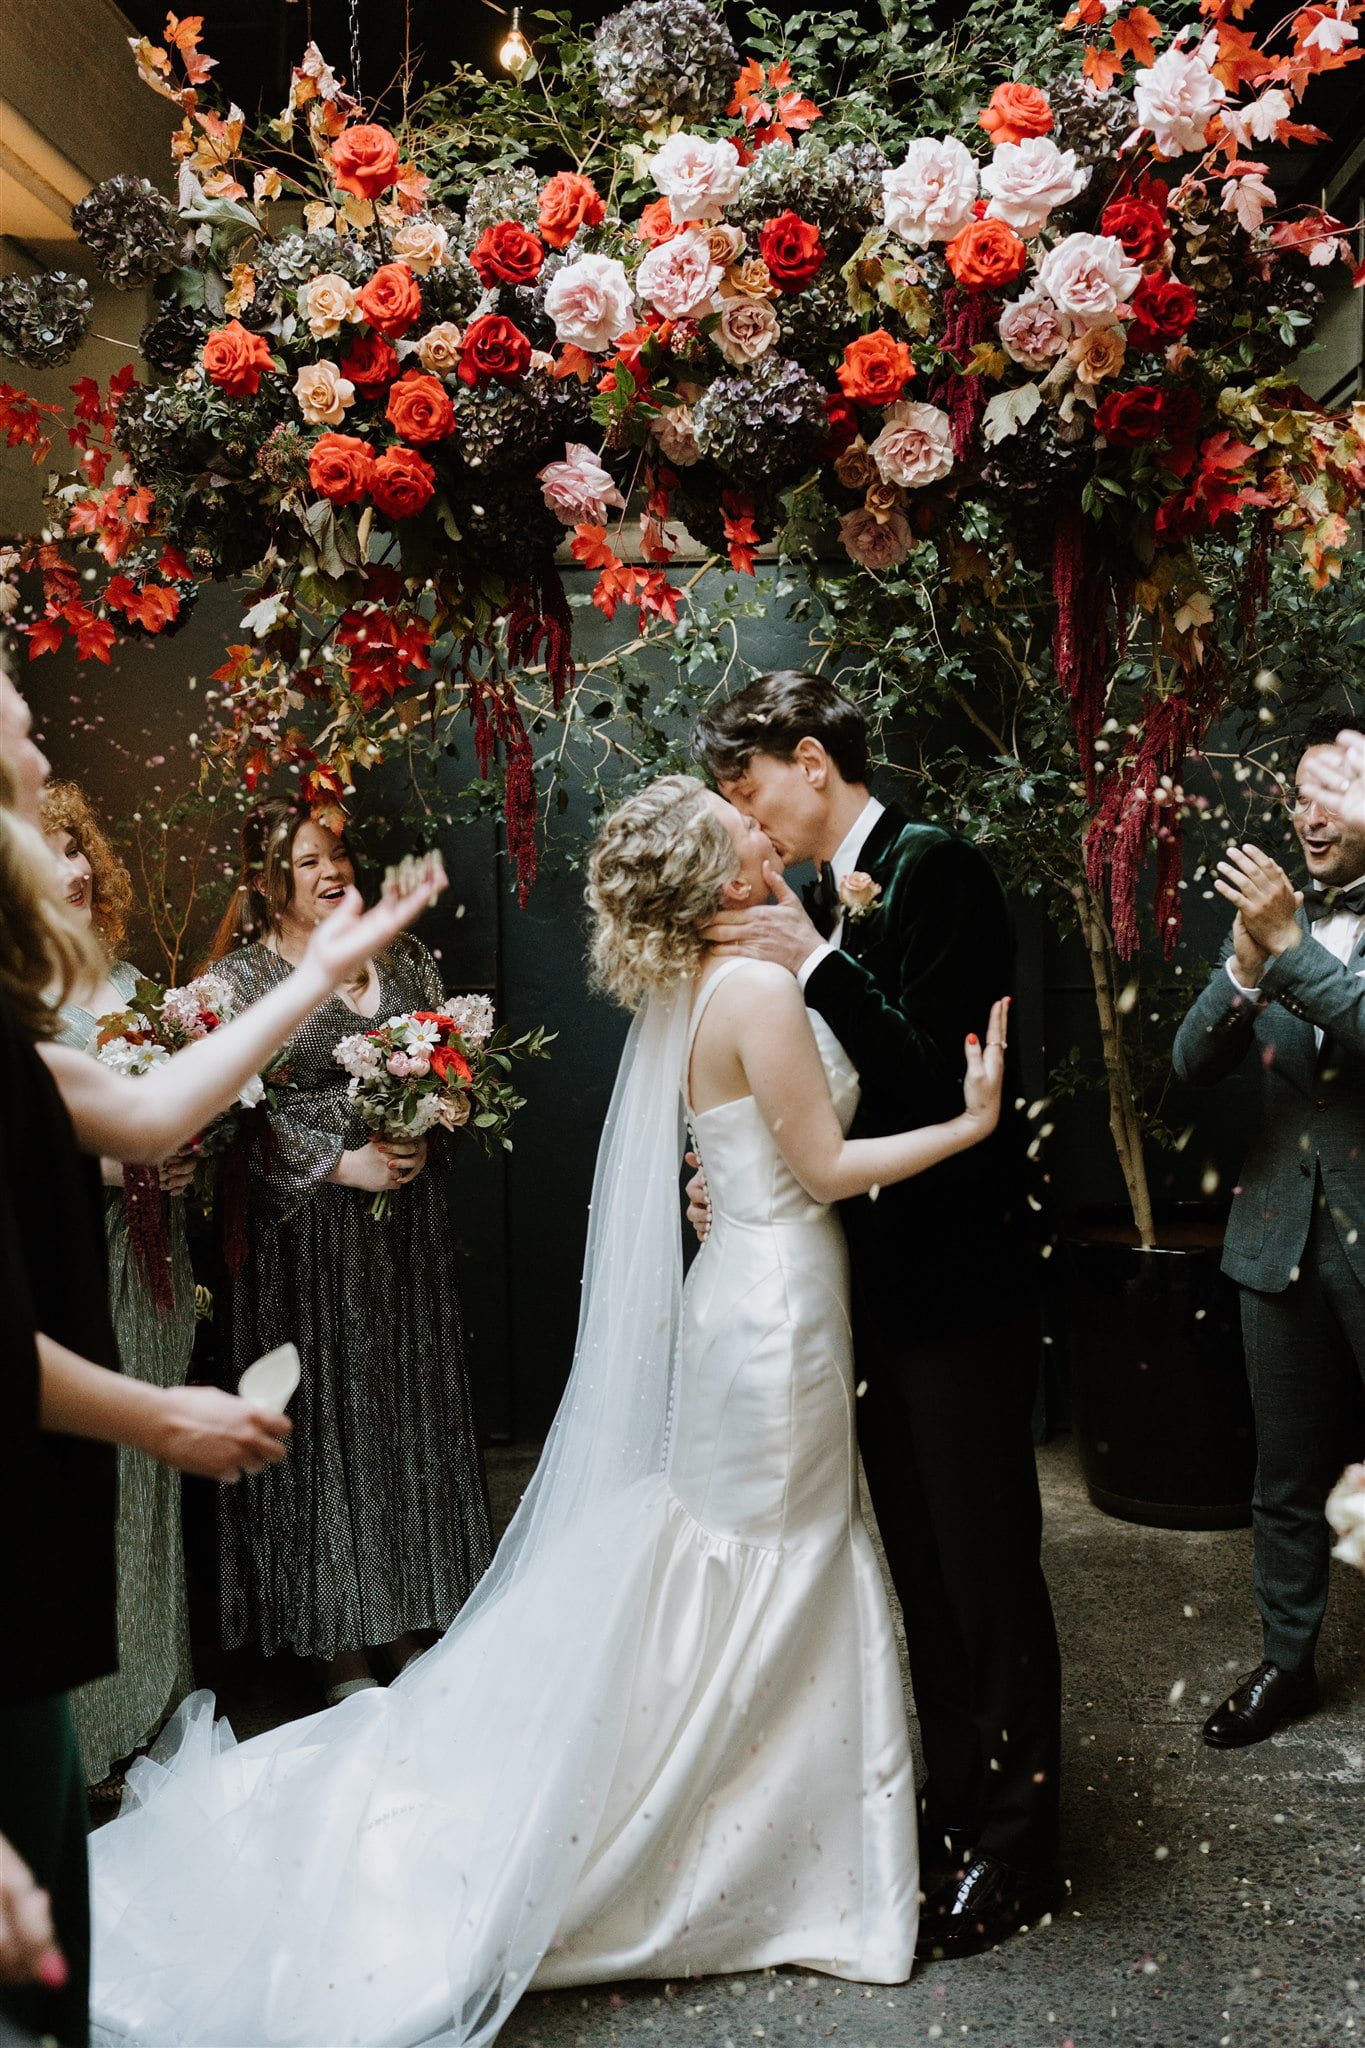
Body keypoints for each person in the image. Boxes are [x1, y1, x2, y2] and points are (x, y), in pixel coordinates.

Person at [88, 772, 1007, 2048]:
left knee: (749, 1567)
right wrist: (971, 1122)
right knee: (782, 1564)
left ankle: (766, 1829)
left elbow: (753, 1142)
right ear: (716, 873)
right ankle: (765, 1853)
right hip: (781, 1314)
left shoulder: (716, 980)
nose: (759, 825)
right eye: (736, 822)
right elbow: (827, 1162)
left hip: (755, 1292)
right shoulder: (751, 989)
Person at [0, 664, 442, 2047]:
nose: (41, 751)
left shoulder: (20, 1034)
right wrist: (161, 1418)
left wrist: (312, 974)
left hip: (30, 1556)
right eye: (19, 735)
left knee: (46, 1928)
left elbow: (145, 1115)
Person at [692, 670, 1061, 1958]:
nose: (749, 820)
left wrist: (818, 956)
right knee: (917, 1564)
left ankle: (1020, 1843)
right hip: (860, 1293)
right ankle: (954, 1811)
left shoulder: (936, 867)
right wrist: (733, 1167)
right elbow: (824, 1102)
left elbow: (935, 1089)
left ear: (811, 758)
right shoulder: (816, 898)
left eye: (748, 789)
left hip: (958, 1291)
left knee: (985, 1568)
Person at [209, 800, 492, 1703]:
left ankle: (407, 1615)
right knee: (326, 1427)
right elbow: (229, 1117)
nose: (331, 871)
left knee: (402, 1416)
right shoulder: (240, 982)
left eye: (336, 853)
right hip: (304, 1248)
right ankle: (336, 1642)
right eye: (306, 862)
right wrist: (338, 1161)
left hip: (403, 1242)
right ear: (266, 883)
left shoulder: (400, 958)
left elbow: (451, 1068)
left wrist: (431, 1125)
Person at [1173, 711, 1365, 1748]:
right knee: (1283, 1477)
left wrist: (1292, 948)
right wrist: (1247, 969)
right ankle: (1286, 1664)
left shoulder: (1295, 925)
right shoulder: (1277, 914)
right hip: (1279, 1238)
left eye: (1334, 788)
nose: (1309, 812)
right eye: (1299, 793)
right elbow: (1189, 1063)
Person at [40, 782, 196, 1800]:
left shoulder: (138, 986)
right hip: (73, 1265)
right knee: (88, 1489)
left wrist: (187, 1154)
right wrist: (108, 1169)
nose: (73, 869)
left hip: (157, 1269)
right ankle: (83, 1734)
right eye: (47, 852)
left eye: (77, 846)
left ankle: (148, 1706)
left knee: (151, 1485)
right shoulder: (21, 997)